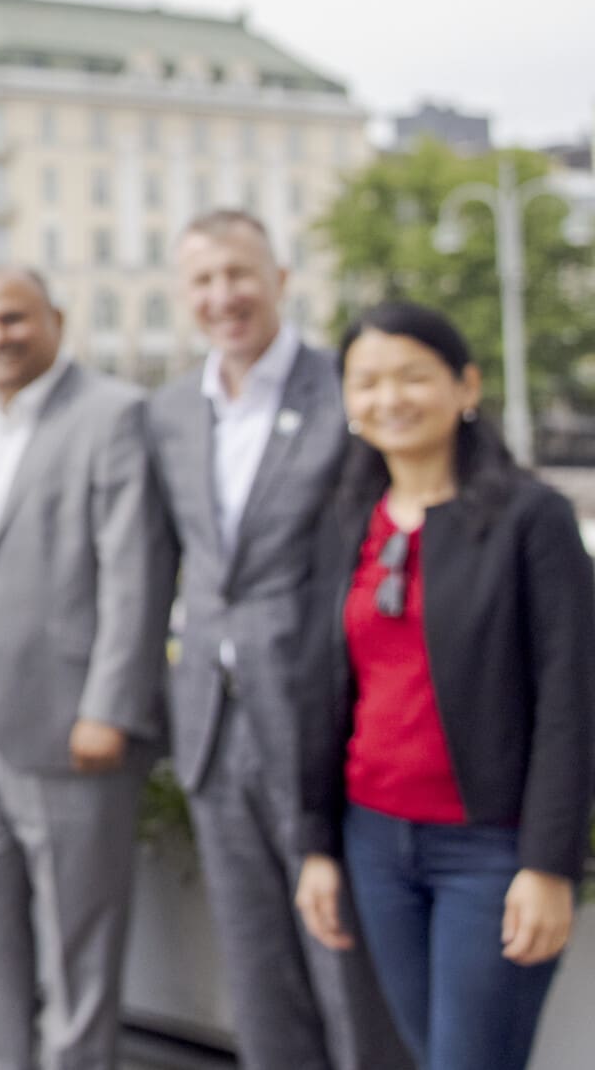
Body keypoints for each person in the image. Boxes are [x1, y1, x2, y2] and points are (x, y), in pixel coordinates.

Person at [294, 303, 595, 1070]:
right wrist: (317, 847)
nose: (388, 398)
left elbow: (571, 699)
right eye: (365, 382)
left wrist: (548, 863)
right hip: (375, 842)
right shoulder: (345, 519)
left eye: (411, 376)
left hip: (489, 850)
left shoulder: (533, 519)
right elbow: (322, 691)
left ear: (466, 386)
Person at [147, 212, 408, 1070]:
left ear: (282, 279)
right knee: (256, 968)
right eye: (204, 282)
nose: (224, 298)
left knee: (347, 970)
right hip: (212, 730)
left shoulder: (346, 395)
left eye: (240, 275)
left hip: (318, 723)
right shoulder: (173, 410)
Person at [0, 267, 172, 1070]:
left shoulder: (112, 414)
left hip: (70, 716)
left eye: (15, 320)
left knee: (78, 936)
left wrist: (110, 705)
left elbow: (134, 572)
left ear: (57, 321)